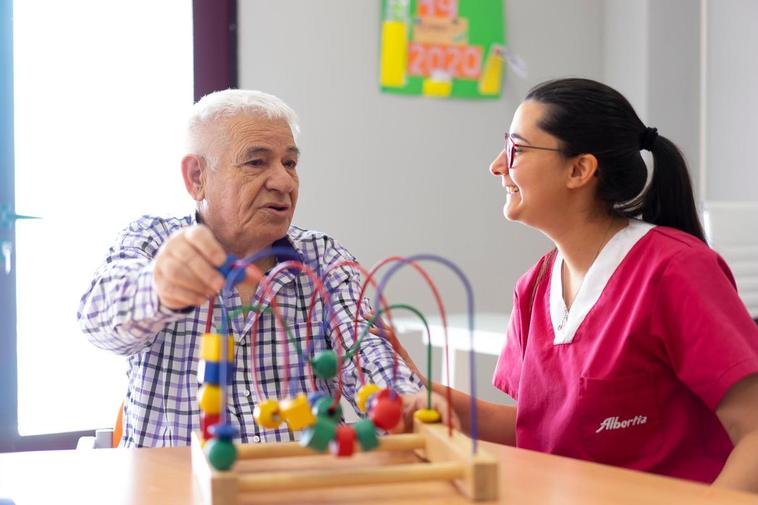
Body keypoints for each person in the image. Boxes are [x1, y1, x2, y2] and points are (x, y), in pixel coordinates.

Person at [392, 78, 758, 492]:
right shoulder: (533, 287)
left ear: (579, 169)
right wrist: (422, 390)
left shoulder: (677, 269)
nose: (497, 165)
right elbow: (540, 430)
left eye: (516, 149)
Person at [77, 89, 428, 447]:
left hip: (298, 486)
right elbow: (97, 320)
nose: (284, 182)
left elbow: (365, 351)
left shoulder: (323, 257)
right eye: (256, 163)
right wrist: (157, 288)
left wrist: (401, 401)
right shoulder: (153, 240)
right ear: (197, 177)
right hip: (176, 488)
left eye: (290, 163)